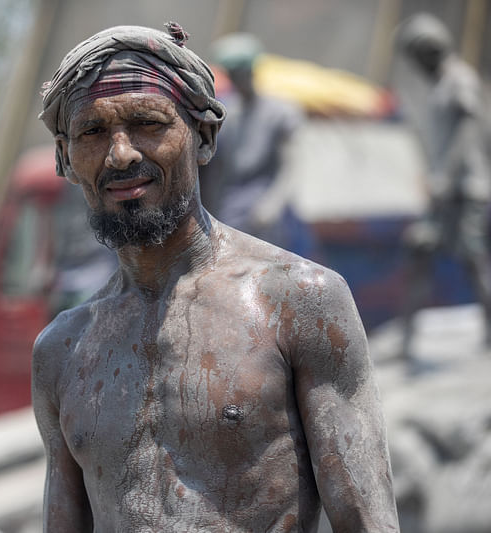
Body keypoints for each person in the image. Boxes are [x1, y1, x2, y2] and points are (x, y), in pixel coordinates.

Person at [33, 23, 399, 532]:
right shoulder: (62, 351)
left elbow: (366, 520)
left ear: (203, 137)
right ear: (65, 158)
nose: (121, 155)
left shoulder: (298, 302)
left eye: (147, 123)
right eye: (93, 132)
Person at [395, 14, 491, 362]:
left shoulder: (459, 79)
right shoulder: (438, 84)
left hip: (465, 189)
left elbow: (467, 130)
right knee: (421, 252)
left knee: (473, 259)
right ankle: (407, 340)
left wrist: (448, 176)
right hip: (444, 191)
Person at [199, 33, 316, 259]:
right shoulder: (226, 112)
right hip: (228, 209)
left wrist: (272, 204)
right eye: (231, 73)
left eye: (240, 71)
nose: (236, 78)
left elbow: (291, 166)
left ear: (251, 70)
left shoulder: (279, 112)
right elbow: (215, 167)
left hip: (266, 213)